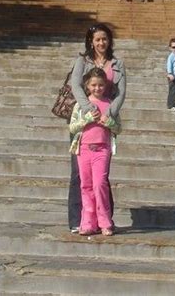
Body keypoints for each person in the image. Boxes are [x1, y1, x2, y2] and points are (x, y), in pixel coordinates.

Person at [68, 23, 126, 234]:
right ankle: (79, 219)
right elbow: (75, 86)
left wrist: (109, 113)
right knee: (79, 176)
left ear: (109, 41)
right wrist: (88, 108)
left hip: (105, 119)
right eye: (97, 39)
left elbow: (121, 92)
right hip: (85, 118)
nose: (101, 43)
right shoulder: (82, 61)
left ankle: (104, 219)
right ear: (91, 41)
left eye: (104, 39)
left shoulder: (117, 64)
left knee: (100, 178)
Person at [69, 68, 121, 236]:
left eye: (100, 85)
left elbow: (119, 128)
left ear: (105, 85)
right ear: (87, 85)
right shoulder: (81, 105)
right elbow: (72, 127)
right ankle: (88, 222)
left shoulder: (110, 104)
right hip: (84, 149)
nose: (97, 88)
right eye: (94, 85)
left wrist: (109, 123)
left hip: (102, 149)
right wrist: (86, 119)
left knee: (100, 185)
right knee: (86, 186)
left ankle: (105, 221)